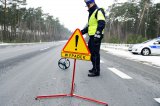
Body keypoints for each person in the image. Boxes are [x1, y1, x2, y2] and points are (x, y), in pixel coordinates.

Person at [81, 0, 106, 77]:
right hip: (92, 36)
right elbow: (90, 27)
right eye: (87, 5)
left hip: (96, 36)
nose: (88, 6)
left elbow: (102, 22)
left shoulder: (98, 11)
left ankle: (96, 71)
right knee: (91, 52)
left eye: (88, 4)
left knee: (95, 53)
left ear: (93, 3)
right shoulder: (91, 13)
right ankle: (94, 67)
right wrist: (81, 32)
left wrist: (97, 34)